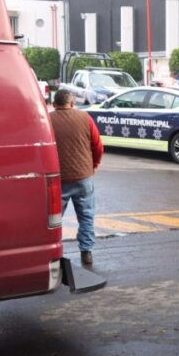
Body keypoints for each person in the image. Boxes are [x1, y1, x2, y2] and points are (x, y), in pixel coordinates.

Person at [50, 88, 103, 265]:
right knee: (86, 216)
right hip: (83, 177)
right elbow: (97, 146)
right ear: (72, 103)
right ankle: (86, 252)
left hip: (58, 179)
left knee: (54, 219)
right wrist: (93, 166)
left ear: (54, 104)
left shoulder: (48, 120)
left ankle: (53, 252)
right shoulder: (85, 118)